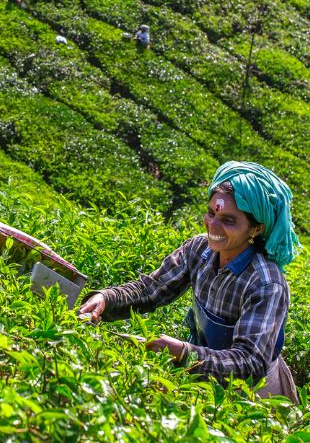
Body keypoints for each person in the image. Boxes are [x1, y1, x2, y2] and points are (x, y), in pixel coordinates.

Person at [79, 161, 302, 402]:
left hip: (252, 395)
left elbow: (249, 362)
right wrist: (105, 298)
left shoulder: (266, 284)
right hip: (199, 372)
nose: (213, 225)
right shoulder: (199, 249)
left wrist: (184, 353)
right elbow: (150, 290)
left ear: (256, 229)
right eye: (211, 213)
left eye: (228, 220)